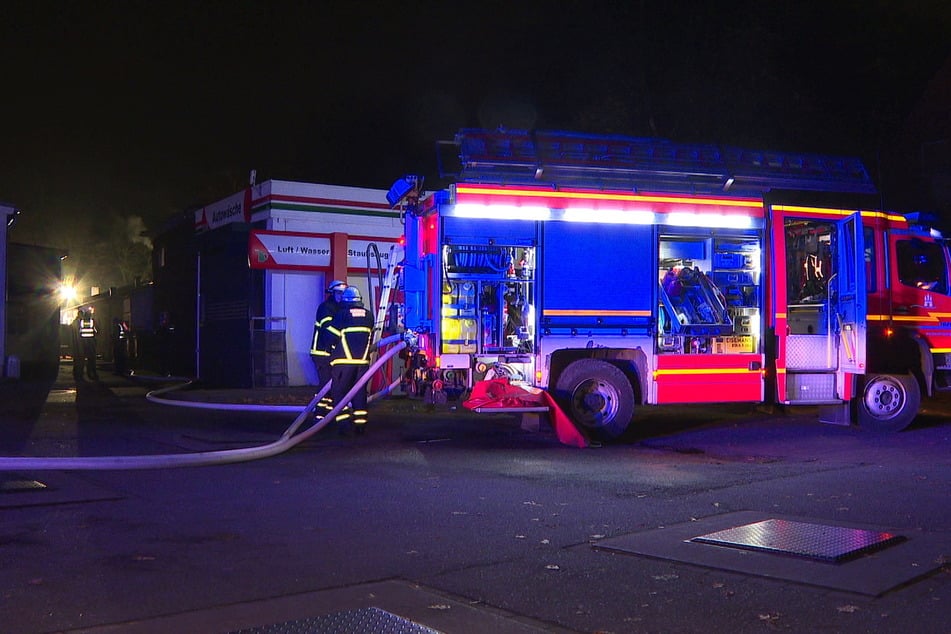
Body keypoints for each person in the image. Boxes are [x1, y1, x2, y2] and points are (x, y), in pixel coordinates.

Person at [326, 286, 374, 435]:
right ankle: (360, 425)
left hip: (343, 362)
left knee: (339, 392)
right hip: (362, 363)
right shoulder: (369, 316)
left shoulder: (343, 314)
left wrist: (330, 349)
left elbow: (329, 336)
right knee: (359, 393)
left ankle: (344, 425)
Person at [310, 279, 347, 417]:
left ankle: (329, 414)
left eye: (343, 294)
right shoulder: (325, 308)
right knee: (326, 384)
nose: (341, 297)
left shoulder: (341, 309)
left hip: (333, 354)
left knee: (334, 384)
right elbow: (329, 331)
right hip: (321, 353)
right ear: (332, 293)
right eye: (338, 293)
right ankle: (318, 414)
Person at [73, 308, 99, 381]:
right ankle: (91, 372)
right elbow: (97, 330)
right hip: (91, 342)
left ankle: (80, 373)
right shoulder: (92, 321)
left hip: (83, 342)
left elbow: (78, 331)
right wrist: (94, 335)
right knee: (91, 359)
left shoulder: (81, 321)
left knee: (82, 358)